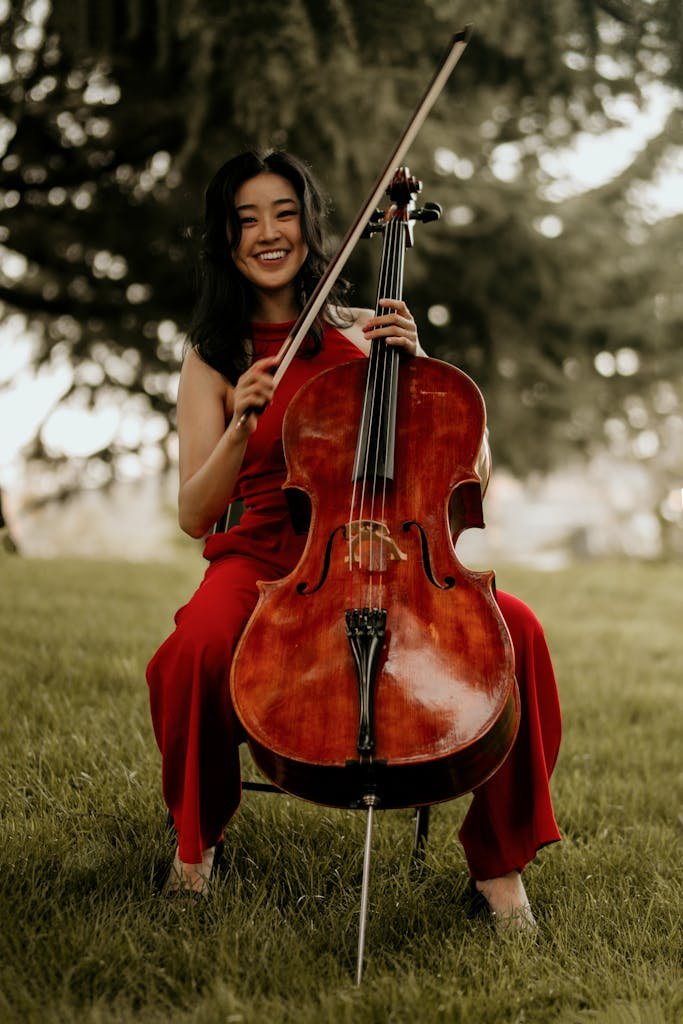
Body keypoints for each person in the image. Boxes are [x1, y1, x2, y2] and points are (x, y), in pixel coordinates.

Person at [146, 149, 561, 928]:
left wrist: (420, 363)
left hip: (392, 547)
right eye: (245, 221)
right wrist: (239, 422)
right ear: (225, 240)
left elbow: (466, 461)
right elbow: (195, 513)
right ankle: (196, 845)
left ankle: (497, 867)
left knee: (521, 634)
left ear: (308, 224)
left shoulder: (363, 331)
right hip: (271, 554)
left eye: (282, 213)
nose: (267, 233)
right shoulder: (210, 357)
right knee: (196, 647)